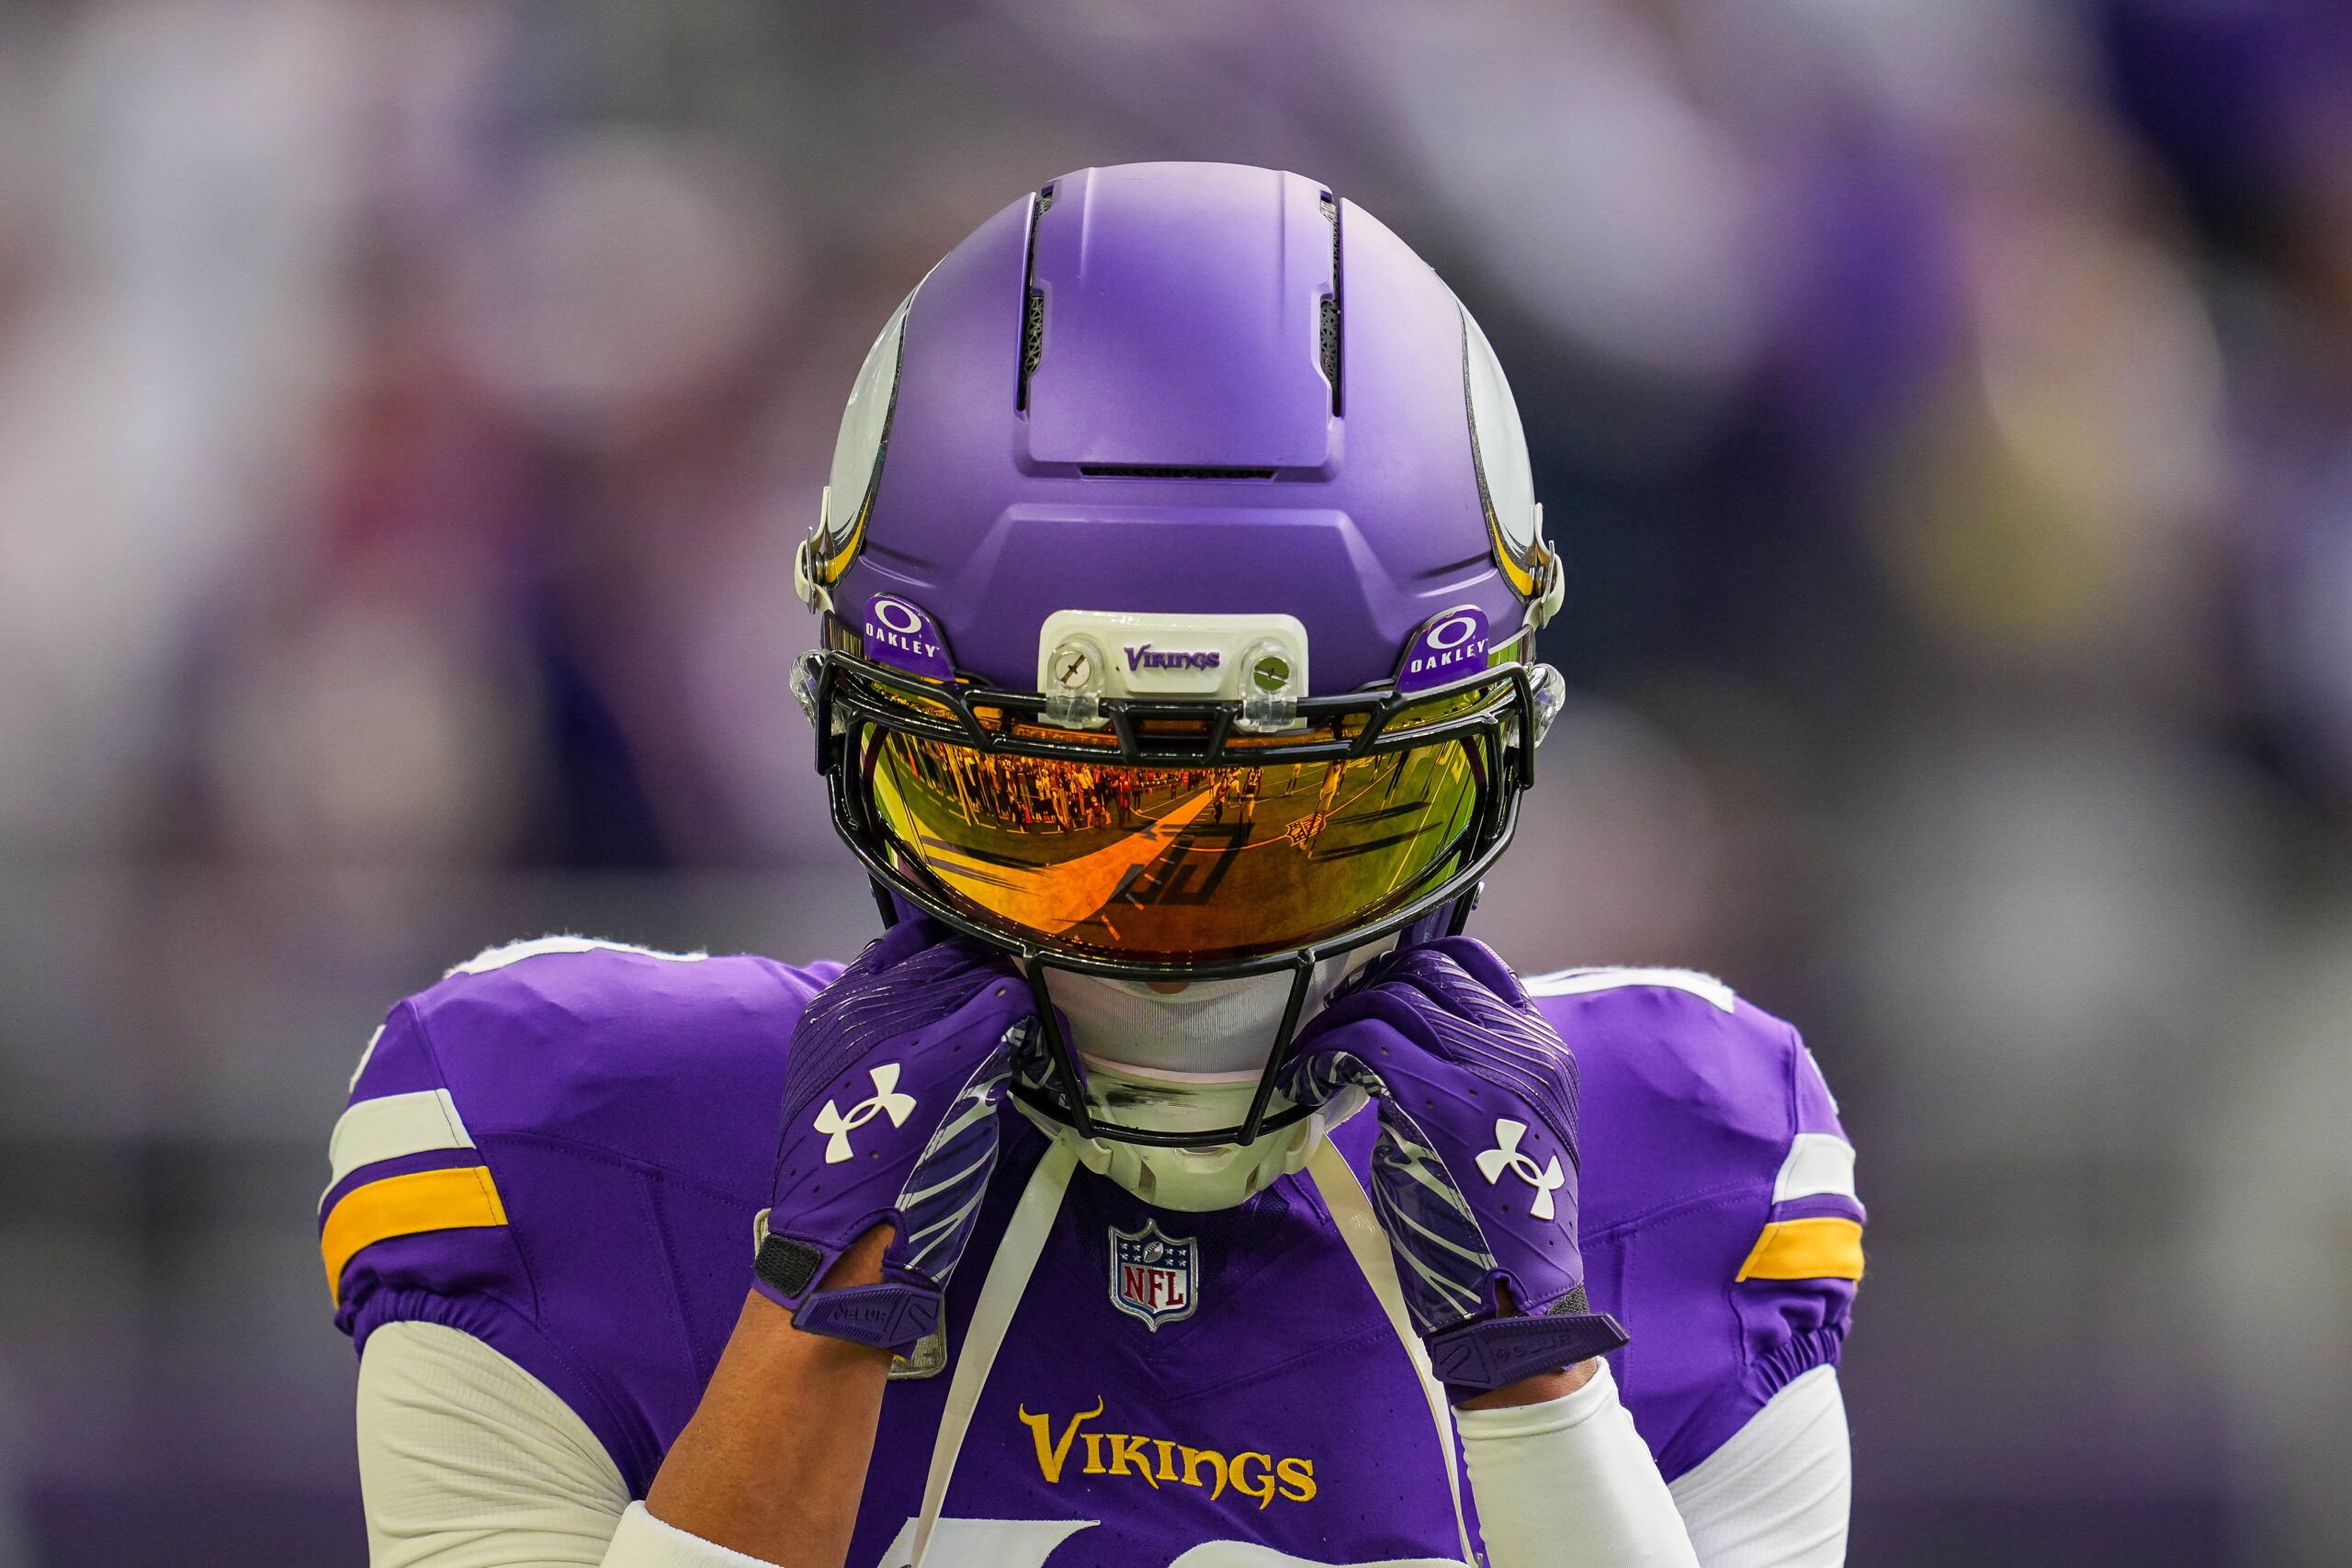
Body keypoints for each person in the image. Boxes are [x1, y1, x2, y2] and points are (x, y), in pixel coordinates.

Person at [324, 163, 1863, 1568]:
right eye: (1047, 807)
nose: (1170, 957)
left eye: (1298, 830)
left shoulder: (1682, 1169)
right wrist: (811, 1313)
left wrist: (1541, 1379)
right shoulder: (579, 1128)